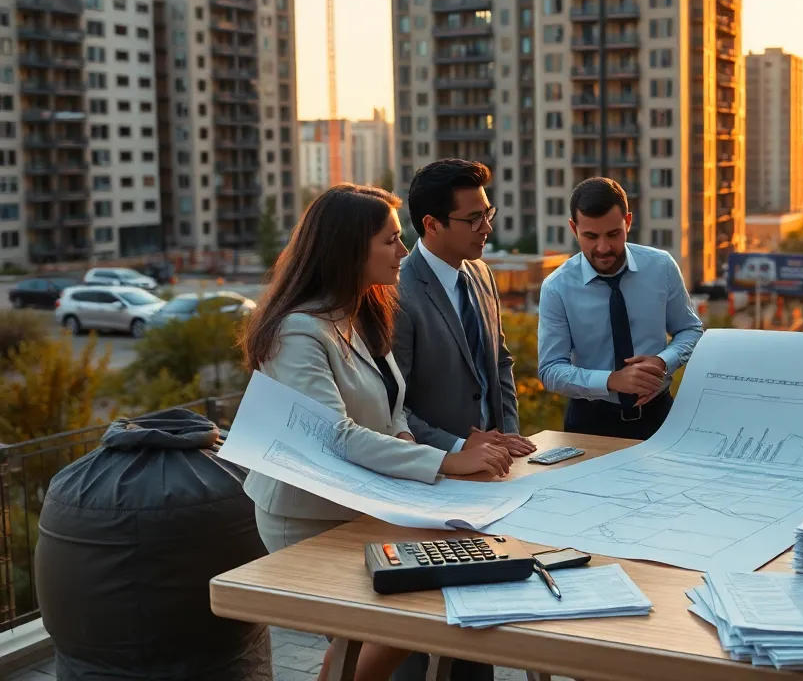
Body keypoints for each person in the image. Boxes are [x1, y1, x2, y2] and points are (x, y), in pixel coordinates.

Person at [239, 184, 510, 681]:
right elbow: (334, 436)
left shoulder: (363, 310)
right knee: (381, 633)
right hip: (307, 517)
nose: (403, 250)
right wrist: (445, 460)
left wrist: (409, 454)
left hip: (363, 500)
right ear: (348, 249)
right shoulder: (297, 331)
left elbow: (393, 408)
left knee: (387, 629)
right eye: (390, 240)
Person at [391, 160, 534, 681]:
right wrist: (455, 448)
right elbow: (392, 405)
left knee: (479, 621)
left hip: (489, 478)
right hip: (430, 482)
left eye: (488, 213)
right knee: (418, 636)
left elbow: (500, 362)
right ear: (431, 225)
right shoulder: (397, 290)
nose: (487, 227)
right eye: (473, 218)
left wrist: (507, 435)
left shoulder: (481, 272)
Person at [538, 177, 704, 439]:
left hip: (660, 417)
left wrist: (663, 362)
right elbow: (550, 370)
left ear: (628, 221)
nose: (603, 248)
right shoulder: (556, 287)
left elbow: (691, 330)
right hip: (590, 422)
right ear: (573, 228)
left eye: (613, 234)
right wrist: (611, 381)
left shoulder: (661, 267)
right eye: (591, 236)